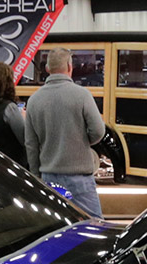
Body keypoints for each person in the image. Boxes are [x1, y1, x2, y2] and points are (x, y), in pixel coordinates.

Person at [24, 47, 106, 216]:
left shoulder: (34, 100)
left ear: (47, 69)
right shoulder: (82, 95)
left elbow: (31, 144)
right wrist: (81, 141)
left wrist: (36, 175)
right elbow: (98, 131)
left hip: (49, 176)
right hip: (80, 178)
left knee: (56, 223)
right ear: (70, 67)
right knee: (93, 224)